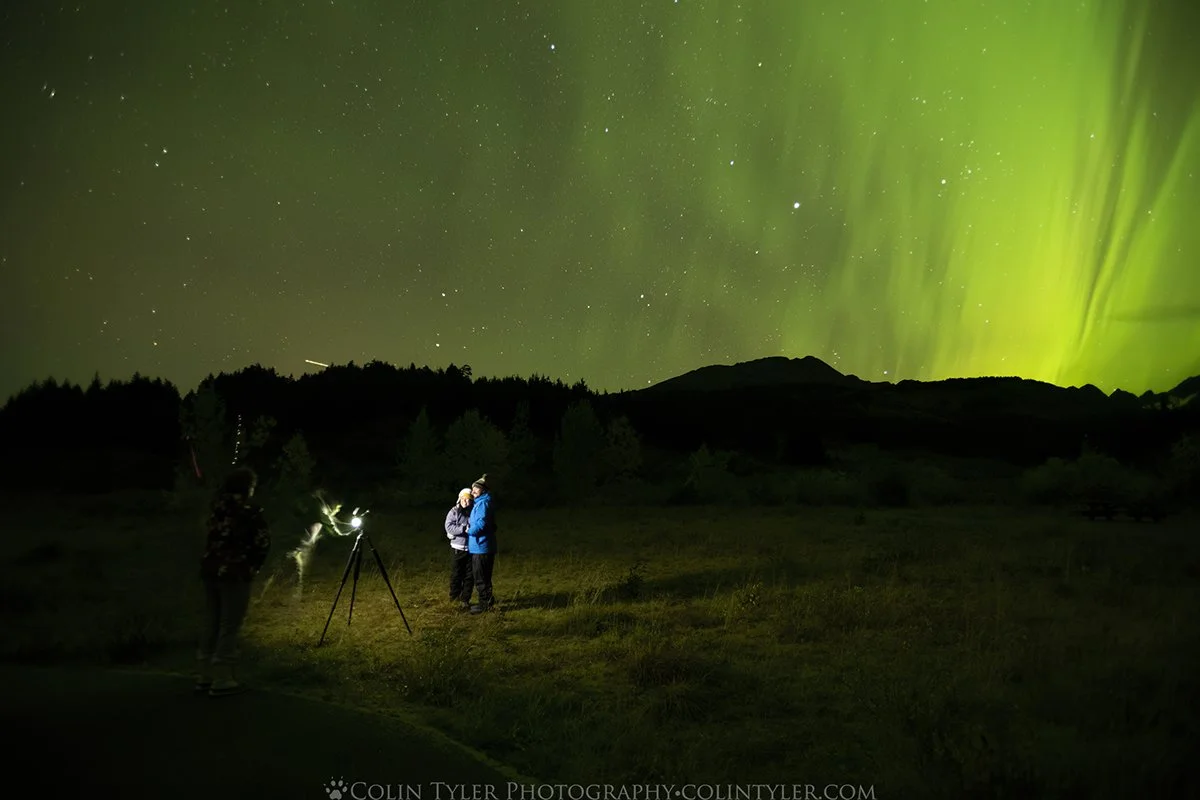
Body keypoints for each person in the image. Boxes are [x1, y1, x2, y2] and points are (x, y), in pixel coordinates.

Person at [195, 466, 271, 697]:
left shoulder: (217, 507)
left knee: (213, 620)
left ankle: (203, 674)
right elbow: (262, 542)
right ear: (248, 487)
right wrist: (253, 566)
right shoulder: (250, 510)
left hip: (211, 570)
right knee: (230, 623)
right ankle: (222, 677)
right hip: (235, 573)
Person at [466, 473, 498, 614]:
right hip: (481, 546)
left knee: (481, 577)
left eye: (476, 489)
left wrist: (469, 530)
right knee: (483, 576)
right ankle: (487, 601)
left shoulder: (483, 504)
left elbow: (482, 524)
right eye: (472, 489)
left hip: (481, 547)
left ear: (483, 490)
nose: (473, 491)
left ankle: (485, 605)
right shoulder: (481, 502)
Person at [444, 487, 474, 610]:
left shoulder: (473, 511)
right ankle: (454, 598)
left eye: (469, 500)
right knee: (457, 574)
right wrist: (463, 529)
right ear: (460, 499)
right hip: (457, 548)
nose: (467, 502)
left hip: (471, 548)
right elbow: (449, 527)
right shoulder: (454, 512)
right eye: (465, 499)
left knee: (469, 575)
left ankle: (465, 599)